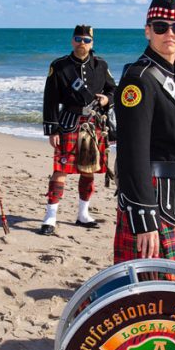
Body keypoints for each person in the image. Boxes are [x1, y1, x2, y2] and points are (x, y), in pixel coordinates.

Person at [113, 0, 175, 271]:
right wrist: (143, 219)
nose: (170, 33)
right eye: (160, 26)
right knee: (151, 291)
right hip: (154, 200)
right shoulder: (139, 79)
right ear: (147, 30)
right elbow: (132, 152)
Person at [39, 25, 115, 234]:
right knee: (60, 170)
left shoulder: (101, 65)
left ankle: (83, 214)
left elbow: (113, 89)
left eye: (86, 40)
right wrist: (52, 130)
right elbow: (50, 99)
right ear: (72, 41)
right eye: (78, 39)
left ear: (92, 43)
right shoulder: (59, 66)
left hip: (94, 123)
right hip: (68, 122)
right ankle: (50, 217)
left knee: (89, 169)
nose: (82, 43)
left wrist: (108, 98)